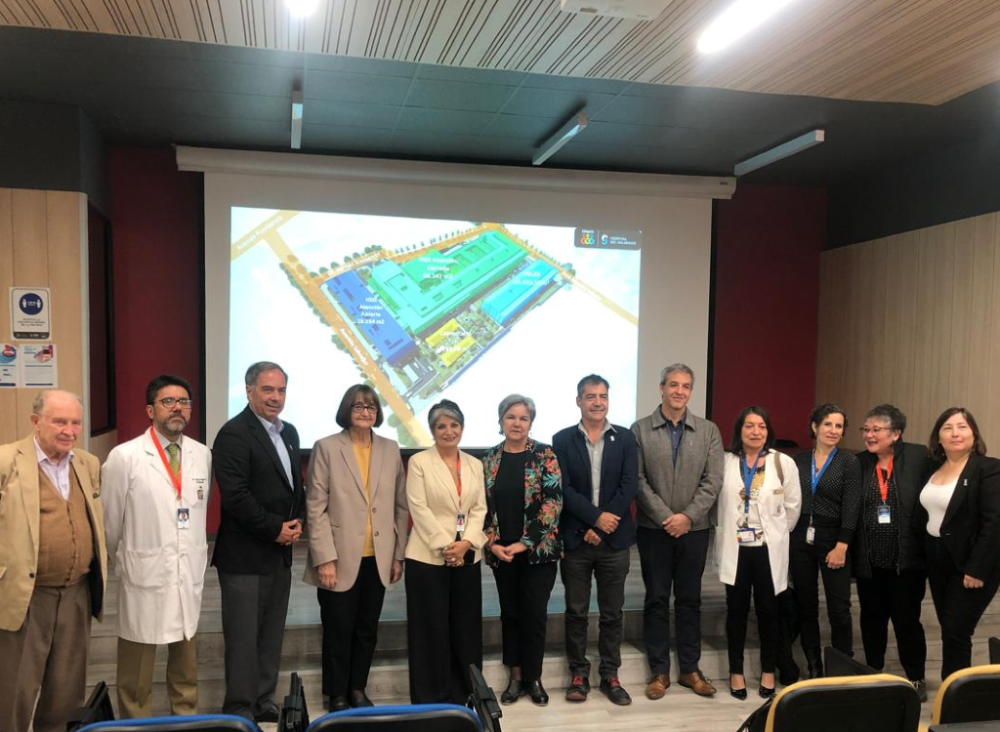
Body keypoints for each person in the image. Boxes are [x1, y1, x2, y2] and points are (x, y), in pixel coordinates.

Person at [102, 375, 213, 717]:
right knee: (136, 675)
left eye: (184, 401)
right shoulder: (125, 457)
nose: (178, 407)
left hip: (186, 573)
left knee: (186, 668)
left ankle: (186, 720)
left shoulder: (202, 454)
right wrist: (126, 559)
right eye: (168, 402)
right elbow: (109, 521)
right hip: (144, 575)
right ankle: (136, 724)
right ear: (151, 410)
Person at [0, 390, 107, 732]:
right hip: (27, 596)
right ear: (36, 421)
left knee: (66, 695)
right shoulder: (6, 462)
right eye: (59, 421)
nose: (69, 430)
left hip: (76, 594)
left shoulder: (87, 464)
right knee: (13, 692)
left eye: (75, 422)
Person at [304, 384, 409, 711]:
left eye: (371, 407)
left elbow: (401, 506)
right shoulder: (327, 447)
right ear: (346, 411)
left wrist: (397, 554)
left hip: (377, 557)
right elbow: (315, 506)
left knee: (367, 628)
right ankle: (335, 693)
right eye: (358, 406)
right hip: (338, 558)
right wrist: (325, 558)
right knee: (338, 629)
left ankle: (357, 689)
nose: (366, 412)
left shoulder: (390, 449)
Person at [212, 361, 305, 722]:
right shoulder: (234, 433)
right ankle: (239, 708)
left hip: (278, 555)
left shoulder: (290, 432)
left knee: (270, 635)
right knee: (243, 639)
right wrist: (274, 528)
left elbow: (292, 485)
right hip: (245, 558)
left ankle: (264, 698)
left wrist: (296, 522)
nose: (276, 397)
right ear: (249, 391)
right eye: (268, 390)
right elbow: (235, 496)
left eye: (281, 390)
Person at [631, 364, 724, 699]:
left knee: (690, 600)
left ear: (691, 391)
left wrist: (686, 516)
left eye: (686, 386)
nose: (679, 391)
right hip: (653, 530)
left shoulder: (708, 431)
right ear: (661, 388)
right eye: (673, 385)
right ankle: (658, 673)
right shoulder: (640, 430)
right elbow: (637, 482)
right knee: (656, 599)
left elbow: (713, 481)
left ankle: (690, 669)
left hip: (694, 530)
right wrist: (666, 517)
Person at [553, 375, 638, 705]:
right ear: (579, 401)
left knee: (612, 613)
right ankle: (578, 674)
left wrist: (602, 526)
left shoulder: (626, 438)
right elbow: (565, 489)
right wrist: (594, 519)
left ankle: (610, 674)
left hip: (614, 541)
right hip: (576, 540)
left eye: (603, 396)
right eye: (590, 396)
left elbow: (629, 486)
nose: (598, 402)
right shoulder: (561, 440)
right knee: (575, 611)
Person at [404, 399, 487, 704]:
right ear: (432, 430)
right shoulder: (419, 462)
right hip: (427, 557)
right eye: (441, 425)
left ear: (462, 428)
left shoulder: (474, 464)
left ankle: (466, 693)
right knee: (430, 630)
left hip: (467, 555)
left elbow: (480, 508)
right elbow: (419, 508)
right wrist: (446, 546)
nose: (448, 431)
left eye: (454, 425)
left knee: (465, 628)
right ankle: (430, 697)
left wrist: (467, 543)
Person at [716, 406, 801, 700]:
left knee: (769, 611)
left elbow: (793, 507)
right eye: (749, 426)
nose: (755, 432)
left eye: (761, 426)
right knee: (736, 611)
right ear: (739, 430)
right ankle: (736, 671)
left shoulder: (783, 463)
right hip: (736, 549)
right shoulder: (725, 461)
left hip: (768, 550)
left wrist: (774, 535)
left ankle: (767, 670)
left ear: (768, 431)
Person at [483, 394, 563, 706]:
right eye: (511, 417)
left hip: (538, 553)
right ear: (501, 421)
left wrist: (524, 542)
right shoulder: (489, 459)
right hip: (502, 554)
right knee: (510, 614)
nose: (517, 423)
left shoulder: (545, 454)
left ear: (531, 423)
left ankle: (534, 677)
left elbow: (554, 502)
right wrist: (492, 541)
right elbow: (481, 508)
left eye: (523, 418)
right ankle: (516, 677)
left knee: (534, 614)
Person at [852, 404, 930, 701]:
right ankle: (874, 671)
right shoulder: (858, 463)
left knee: (906, 619)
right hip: (870, 561)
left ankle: (916, 677)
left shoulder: (918, 458)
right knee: (871, 618)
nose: (869, 435)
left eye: (876, 430)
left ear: (895, 433)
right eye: (866, 429)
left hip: (906, 562)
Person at [918, 407, 1000, 679]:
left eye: (962, 427)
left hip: (970, 564)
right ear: (938, 437)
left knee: (956, 632)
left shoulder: (988, 468)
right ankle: (954, 696)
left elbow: (995, 523)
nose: (955, 433)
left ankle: (954, 705)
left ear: (974, 435)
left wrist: (977, 569)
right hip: (937, 560)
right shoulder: (933, 468)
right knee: (949, 629)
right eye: (948, 428)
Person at [790, 404, 862, 677]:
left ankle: (842, 666)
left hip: (834, 538)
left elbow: (852, 505)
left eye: (839, 426)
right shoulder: (798, 460)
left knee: (839, 608)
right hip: (800, 536)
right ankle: (814, 666)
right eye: (828, 424)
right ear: (815, 427)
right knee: (806, 604)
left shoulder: (848, 462)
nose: (834, 431)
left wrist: (842, 545)